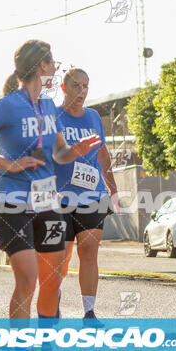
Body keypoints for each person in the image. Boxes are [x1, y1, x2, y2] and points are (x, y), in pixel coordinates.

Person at [0, 39, 100, 351]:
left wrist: (76, 151)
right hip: (12, 202)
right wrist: (7, 164)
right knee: (28, 277)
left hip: (48, 203)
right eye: (52, 62)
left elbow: (59, 154)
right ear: (41, 65)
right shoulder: (7, 106)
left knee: (52, 280)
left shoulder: (50, 107)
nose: (55, 67)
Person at [55, 68, 120, 325]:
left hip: (93, 194)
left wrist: (112, 188)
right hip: (60, 196)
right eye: (76, 86)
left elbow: (102, 154)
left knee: (89, 251)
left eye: (85, 86)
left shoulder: (93, 117)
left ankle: (89, 312)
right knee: (61, 256)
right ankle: (53, 300)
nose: (82, 91)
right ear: (64, 87)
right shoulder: (54, 117)